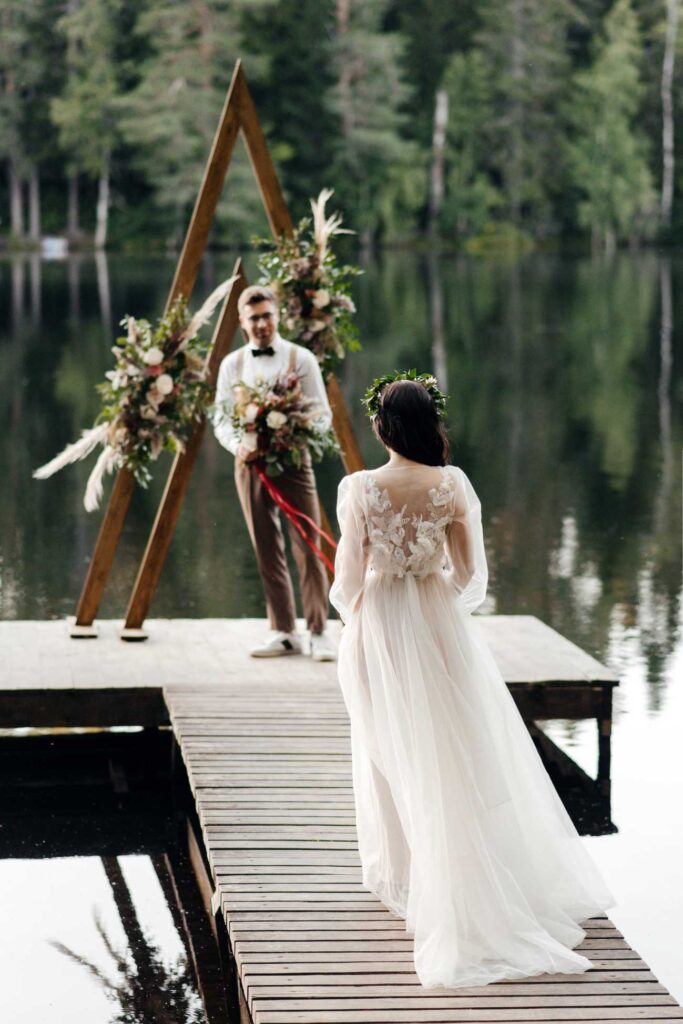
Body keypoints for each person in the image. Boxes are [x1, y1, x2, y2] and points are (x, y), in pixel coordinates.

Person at [329, 373, 613, 988]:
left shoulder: (359, 490)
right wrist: (433, 603)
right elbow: (470, 576)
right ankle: (458, 876)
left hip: (380, 622)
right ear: (432, 424)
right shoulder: (452, 485)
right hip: (436, 623)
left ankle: (412, 880)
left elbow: (347, 581)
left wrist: (361, 622)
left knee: (391, 749)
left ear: (383, 426)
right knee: (454, 751)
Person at [213, 285, 335, 661]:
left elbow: (323, 416)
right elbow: (220, 418)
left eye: (267, 315)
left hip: (294, 460)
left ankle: (317, 631)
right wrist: (239, 446)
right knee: (266, 547)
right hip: (249, 463)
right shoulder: (231, 364)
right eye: (254, 318)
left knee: (307, 544)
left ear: (277, 316)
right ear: (242, 323)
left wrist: (295, 432)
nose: (262, 324)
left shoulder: (302, 359)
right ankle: (283, 631)